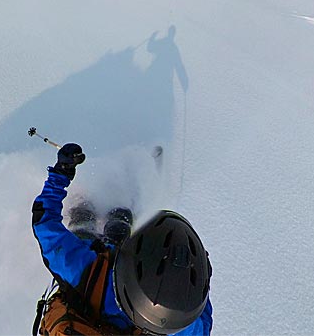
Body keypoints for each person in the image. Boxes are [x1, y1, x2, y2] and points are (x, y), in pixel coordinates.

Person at [32, 143, 213, 335]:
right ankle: (115, 218)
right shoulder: (181, 323)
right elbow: (202, 319)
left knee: (85, 227)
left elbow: (44, 221)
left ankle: (87, 217)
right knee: (118, 226)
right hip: (98, 275)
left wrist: (61, 174)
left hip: (89, 281)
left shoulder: (79, 269)